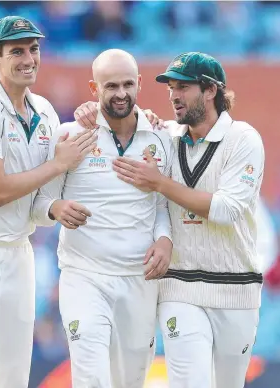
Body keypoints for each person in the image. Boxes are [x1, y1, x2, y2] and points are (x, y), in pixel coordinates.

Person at [0, 15, 98, 388]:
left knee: (11, 379)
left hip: (17, 252)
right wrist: (58, 163)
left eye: (33, 49)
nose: (28, 58)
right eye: (17, 51)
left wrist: (54, 208)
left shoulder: (43, 113)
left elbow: (37, 200)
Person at [112, 52, 265, 388]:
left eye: (182, 87)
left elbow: (226, 210)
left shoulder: (243, 139)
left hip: (235, 287)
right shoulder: (165, 135)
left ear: (210, 90)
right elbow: (119, 119)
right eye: (170, 87)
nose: (173, 95)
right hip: (179, 285)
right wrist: (89, 110)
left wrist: (160, 183)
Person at [32, 49, 174, 388]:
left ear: (139, 83)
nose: (121, 93)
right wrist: (56, 209)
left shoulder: (162, 136)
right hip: (84, 276)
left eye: (128, 84)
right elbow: (39, 198)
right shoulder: (71, 134)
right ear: (94, 89)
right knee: (91, 375)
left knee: (130, 380)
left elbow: (163, 205)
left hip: (138, 278)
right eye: (111, 86)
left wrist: (166, 239)